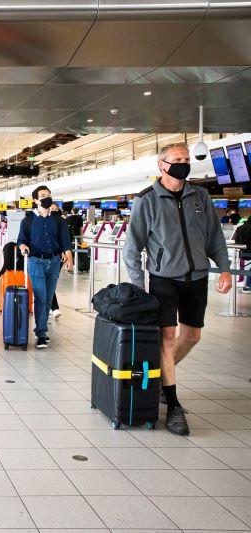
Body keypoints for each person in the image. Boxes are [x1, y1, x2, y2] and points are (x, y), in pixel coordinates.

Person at [124, 142, 232, 436]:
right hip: (163, 279)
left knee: (192, 336)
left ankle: (159, 378)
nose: (183, 163)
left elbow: (214, 237)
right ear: (162, 165)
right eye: (177, 159)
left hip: (197, 277)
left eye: (186, 159)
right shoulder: (146, 200)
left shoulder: (200, 196)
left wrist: (224, 268)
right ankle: (172, 405)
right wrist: (138, 286)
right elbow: (132, 247)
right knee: (167, 338)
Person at [17, 186, 73, 349]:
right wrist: (22, 247)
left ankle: (39, 328)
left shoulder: (59, 220)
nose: (46, 198)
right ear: (35, 200)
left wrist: (69, 258)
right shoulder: (28, 220)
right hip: (35, 261)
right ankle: (42, 333)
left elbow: (65, 242)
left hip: (55, 262)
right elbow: (21, 240)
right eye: (43, 196)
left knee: (48, 298)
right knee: (41, 296)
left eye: (48, 195)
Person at [49, 202, 64, 319]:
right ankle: (53, 307)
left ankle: (52, 306)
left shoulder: (62, 222)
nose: (54, 210)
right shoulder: (43, 222)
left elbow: (65, 239)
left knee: (51, 282)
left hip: (57, 257)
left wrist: (65, 252)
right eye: (51, 208)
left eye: (56, 209)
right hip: (42, 258)